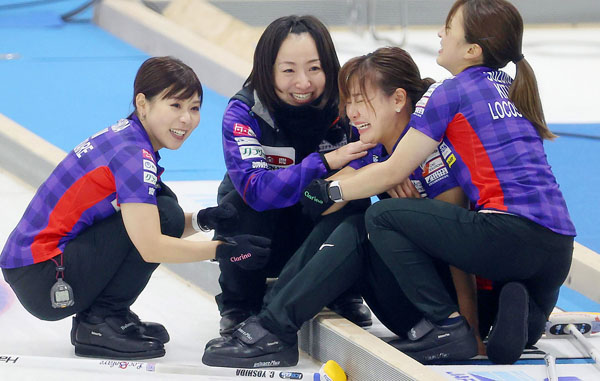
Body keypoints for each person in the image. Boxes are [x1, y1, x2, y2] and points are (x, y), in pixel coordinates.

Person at [300, 0, 576, 365]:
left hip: (507, 235)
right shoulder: (513, 86)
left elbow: (391, 171)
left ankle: (447, 326)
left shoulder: (448, 92)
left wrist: (328, 190)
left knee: (382, 218)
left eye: (448, 28)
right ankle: (527, 318)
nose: (439, 34)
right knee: (513, 303)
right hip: (558, 247)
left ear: (472, 50)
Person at [202, 46, 486, 368]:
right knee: (347, 219)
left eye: (361, 101)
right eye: (348, 101)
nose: (352, 113)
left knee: (364, 224)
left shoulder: (435, 158)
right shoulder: (373, 150)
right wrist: (366, 179)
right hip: (407, 305)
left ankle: (273, 326)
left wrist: (468, 328)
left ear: (397, 100)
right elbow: (313, 201)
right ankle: (272, 319)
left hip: (438, 307)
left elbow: (460, 255)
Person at [0, 56, 270, 360]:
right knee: (164, 210)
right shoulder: (133, 156)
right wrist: (223, 250)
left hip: (37, 267)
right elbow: (150, 245)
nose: (186, 119)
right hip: (44, 278)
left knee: (163, 208)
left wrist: (203, 220)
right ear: (143, 104)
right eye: (175, 105)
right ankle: (100, 321)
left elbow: (142, 225)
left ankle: (106, 316)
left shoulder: (127, 137)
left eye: (194, 108)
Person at [213, 15, 374, 336]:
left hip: (317, 233)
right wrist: (326, 162)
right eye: (288, 70)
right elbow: (256, 190)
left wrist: (334, 180)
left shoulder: (347, 108)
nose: (303, 83)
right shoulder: (245, 112)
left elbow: (372, 159)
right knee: (238, 207)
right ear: (266, 70)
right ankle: (238, 302)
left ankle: (343, 290)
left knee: (354, 201)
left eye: (315, 69)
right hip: (259, 244)